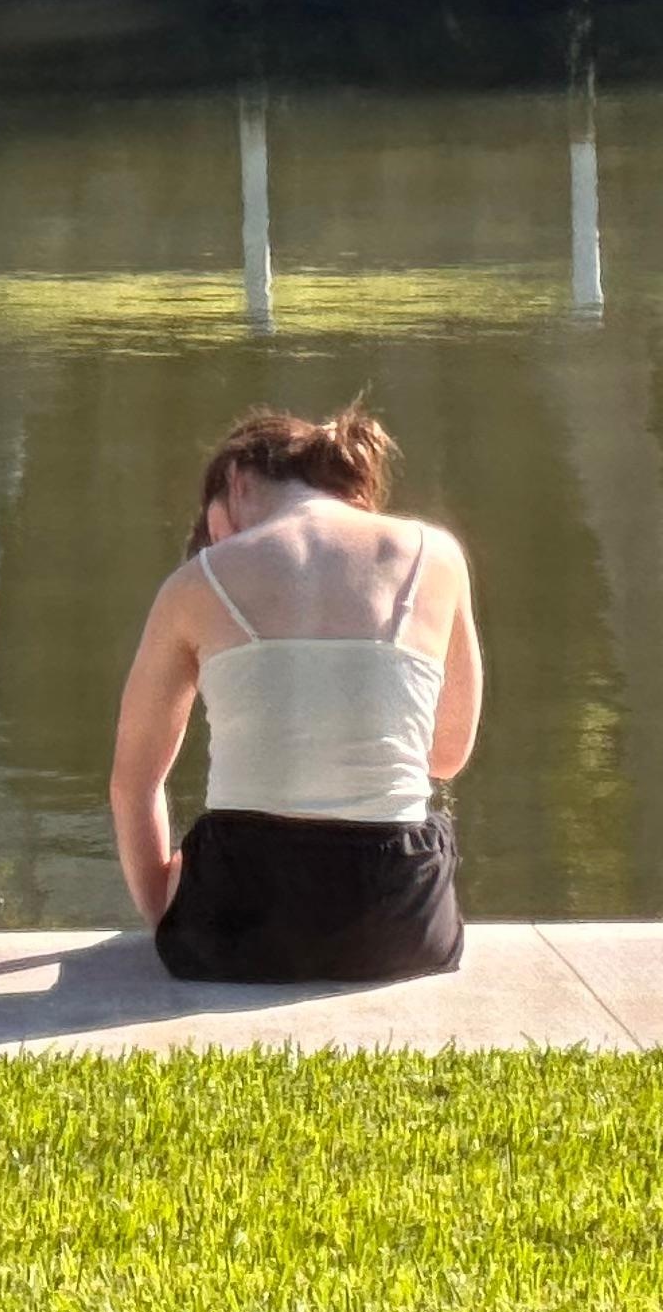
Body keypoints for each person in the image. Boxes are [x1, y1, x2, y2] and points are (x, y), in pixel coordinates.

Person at [110, 403, 479, 984]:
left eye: (210, 524)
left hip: (230, 931)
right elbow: (446, 756)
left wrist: (166, 913)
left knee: (190, 855)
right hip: (402, 927)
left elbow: (133, 783)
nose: (208, 540)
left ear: (236, 480)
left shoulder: (194, 584)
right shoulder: (437, 557)